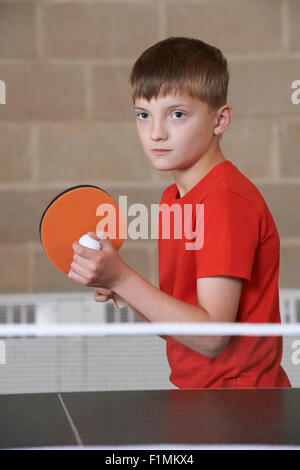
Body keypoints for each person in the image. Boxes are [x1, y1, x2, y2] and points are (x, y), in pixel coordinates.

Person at [68, 36, 291, 389]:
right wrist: (120, 287)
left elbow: (212, 335)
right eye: (143, 115)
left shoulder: (225, 202)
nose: (156, 133)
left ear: (220, 120)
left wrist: (123, 278)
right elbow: (180, 329)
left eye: (177, 114)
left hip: (243, 407)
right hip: (201, 402)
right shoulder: (173, 199)